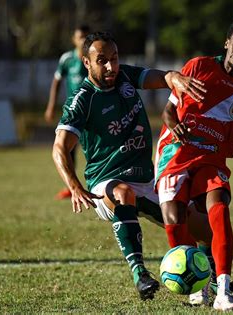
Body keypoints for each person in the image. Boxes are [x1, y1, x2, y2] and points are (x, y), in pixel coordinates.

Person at [51, 31, 207, 301]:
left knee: (204, 229)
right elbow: (59, 148)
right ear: (86, 63)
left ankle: (214, 281)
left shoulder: (124, 76)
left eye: (114, 58)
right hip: (105, 183)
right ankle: (140, 275)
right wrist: (74, 186)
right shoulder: (82, 100)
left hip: (145, 181)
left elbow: (158, 77)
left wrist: (173, 77)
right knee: (124, 193)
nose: (111, 66)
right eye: (102, 61)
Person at [154, 18, 233, 311]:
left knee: (219, 205)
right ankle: (197, 285)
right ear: (227, 43)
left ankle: (223, 290)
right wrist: (174, 127)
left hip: (211, 158)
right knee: (173, 218)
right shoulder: (198, 67)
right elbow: (168, 111)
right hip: (175, 153)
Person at [45, 24, 91, 200]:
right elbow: (56, 82)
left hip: (92, 109)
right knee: (68, 149)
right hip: (73, 112)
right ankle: (71, 186)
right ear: (74, 39)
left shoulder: (94, 58)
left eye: (86, 37)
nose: (83, 41)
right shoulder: (67, 59)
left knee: (93, 146)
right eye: (80, 37)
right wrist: (50, 106)